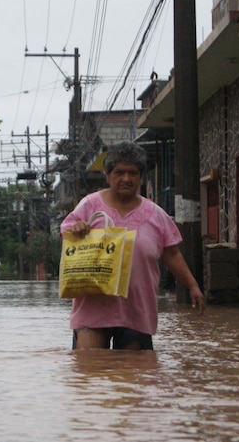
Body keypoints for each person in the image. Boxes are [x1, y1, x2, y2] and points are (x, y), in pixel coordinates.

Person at [60, 142, 205, 351]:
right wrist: (77, 227)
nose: (126, 179)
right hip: (92, 309)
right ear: (108, 175)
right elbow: (66, 233)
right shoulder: (89, 205)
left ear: (141, 177)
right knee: (89, 374)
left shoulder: (156, 214)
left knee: (136, 379)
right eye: (119, 172)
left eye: (133, 173)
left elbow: (171, 253)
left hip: (137, 310)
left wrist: (193, 286)